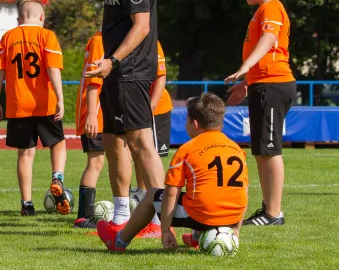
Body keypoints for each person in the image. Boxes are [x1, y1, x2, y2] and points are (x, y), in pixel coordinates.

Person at [85, 0, 165, 236]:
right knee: (113, 141)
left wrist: (113, 61)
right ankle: (121, 214)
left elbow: (142, 26)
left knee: (142, 143)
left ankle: (162, 218)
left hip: (129, 70)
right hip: (117, 73)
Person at [98, 93, 248, 251]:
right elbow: (243, 192)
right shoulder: (236, 149)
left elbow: (171, 193)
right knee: (202, 191)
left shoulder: (187, 150)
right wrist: (236, 229)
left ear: (194, 124)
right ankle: (196, 238)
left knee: (152, 194)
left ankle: (118, 242)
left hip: (202, 216)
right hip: (233, 217)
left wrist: (165, 231)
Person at [225, 0, 296, 226]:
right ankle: (268, 209)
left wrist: (244, 69)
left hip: (274, 84)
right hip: (263, 83)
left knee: (270, 148)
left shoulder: (272, 7)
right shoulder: (263, 9)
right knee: (261, 150)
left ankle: (273, 213)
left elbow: (268, 40)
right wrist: (247, 82)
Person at [0, 0, 69, 216]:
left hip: (17, 105)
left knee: (25, 155)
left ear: (19, 20)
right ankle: (57, 177)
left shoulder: (7, 37)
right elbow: (53, 69)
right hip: (45, 103)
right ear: (42, 17)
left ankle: (27, 204)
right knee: (58, 144)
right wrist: (61, 99)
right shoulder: (47, 36)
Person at [129, 39, 173, 234]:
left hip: (156, 108)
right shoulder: (123, 39)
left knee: (151, 153)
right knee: (138, 150)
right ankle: (142, 192)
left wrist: (151, 107)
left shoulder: (151, 42)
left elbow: (161, 77)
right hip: (137, 106)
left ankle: (158, 205)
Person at [73, 30, 105, 228]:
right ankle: (84, 217)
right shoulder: (100, 41)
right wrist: (92, 114)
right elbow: (94, 79)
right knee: (96, 162)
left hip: (106, 112)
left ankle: (124, 213)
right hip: (97, 112)